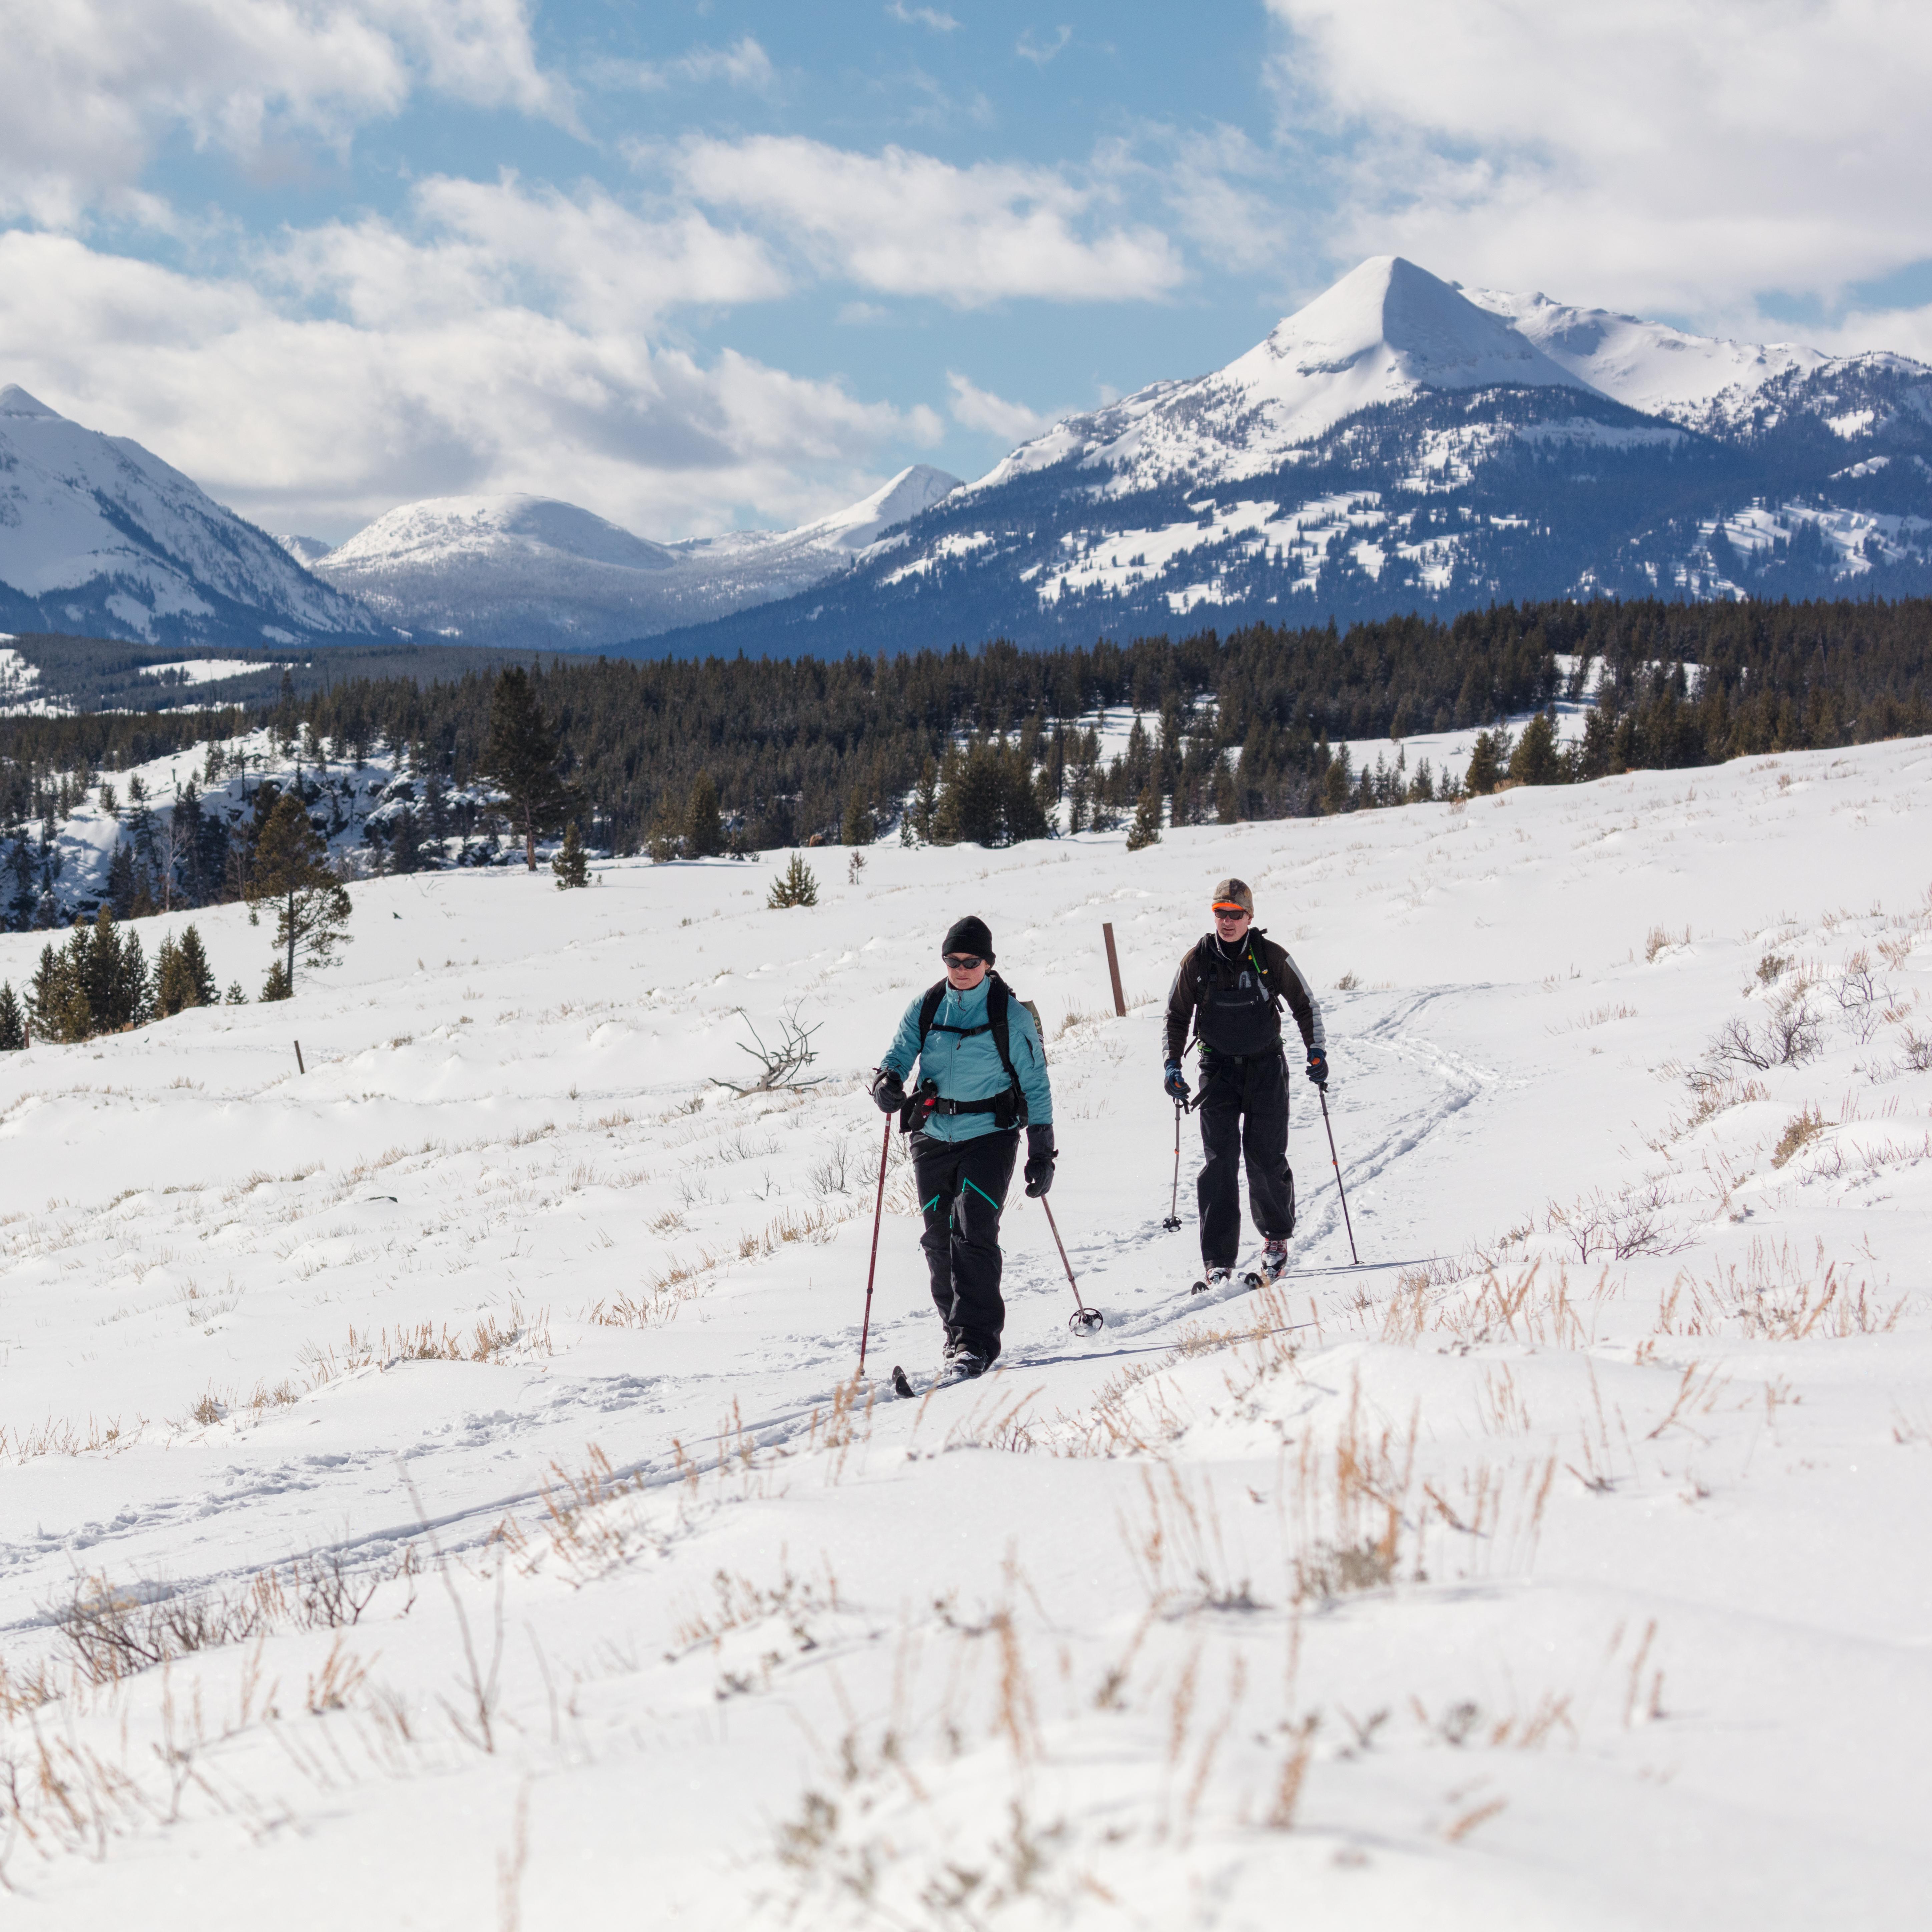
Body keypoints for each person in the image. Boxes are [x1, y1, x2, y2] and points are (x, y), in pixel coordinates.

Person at [871, 916, 1054, 1379]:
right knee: (938, 1241)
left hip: (991, 1135)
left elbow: (1035, 1083)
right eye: (953, 961)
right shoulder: (929, 1005)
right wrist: (886, 1084)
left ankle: (976, 1343)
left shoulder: (1008, 1014)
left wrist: (1041, 1149)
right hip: (932, 1135)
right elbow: (896, 1056)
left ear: (988, 962)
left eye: (971, 961)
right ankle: (956, 1338)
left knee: (974, 1231)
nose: (961, 969)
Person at [1162, 878, 1327, 1287]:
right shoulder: (1196, 960)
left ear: (1250, 917)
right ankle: (1218, 1261)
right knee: (1219, 1162)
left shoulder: (1270, 956)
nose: (1227, 921)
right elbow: (1175, 1016)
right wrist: (1171, 1065)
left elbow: (1305, 1005)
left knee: (1266, 1157)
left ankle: (1275, 1241)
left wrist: (1316, 1051)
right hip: (1216, 1071)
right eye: (1220, 913)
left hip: (1266, 1067)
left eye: (1235, 914)